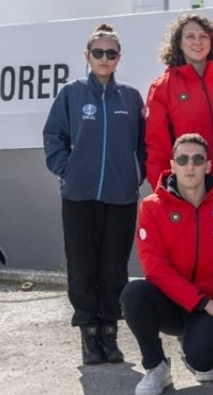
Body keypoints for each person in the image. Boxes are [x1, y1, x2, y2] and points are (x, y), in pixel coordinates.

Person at [41, 23, 146, 366]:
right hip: (79, 195)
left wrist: (136, 175)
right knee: (83, 266)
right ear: (87, 57)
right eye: (98, 53)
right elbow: (54, 134)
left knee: (114, 268)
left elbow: (144, 145)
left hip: (121, 196)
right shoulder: (72, 94)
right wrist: (66, 169)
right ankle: (88, 333)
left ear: (118, 58)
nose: (104, 58)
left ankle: (110, 334)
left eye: (110, 53)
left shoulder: (130, 97)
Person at [123, 133, 213, 395]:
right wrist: (204, 302)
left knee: (204, 364)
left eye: (197, 159)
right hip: (175, 304)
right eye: (183, 159)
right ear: (173, 164)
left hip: (211, 307)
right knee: (134, 294)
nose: (190, 166)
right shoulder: (151, 207)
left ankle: (192, 346)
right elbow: (155, 270)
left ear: (208, 165)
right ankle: (156, 367)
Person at [145, 14, 213, 190]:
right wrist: (163, 189)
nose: (198, 42)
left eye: (203, 36)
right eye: (190, 36)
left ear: (212, 42)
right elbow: (157, 145)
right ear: (179, 44)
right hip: (189, 192)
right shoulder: (163, 87)